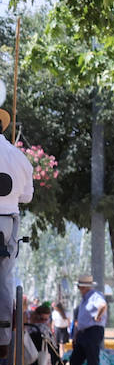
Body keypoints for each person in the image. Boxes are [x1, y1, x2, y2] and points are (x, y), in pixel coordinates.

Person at [0, 109, 34, 344]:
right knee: (5, 278)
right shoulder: (18, 157)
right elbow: (27, 197)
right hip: (8, 221)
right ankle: (2, 339)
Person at [65, 274, 111, 365]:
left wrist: (97, 316)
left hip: (93, 331)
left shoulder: (95, 296)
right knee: (75, 361)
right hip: (83, 333)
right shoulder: (85, 299)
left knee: (92, 361)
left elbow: (102, 305)